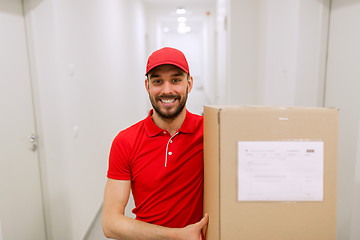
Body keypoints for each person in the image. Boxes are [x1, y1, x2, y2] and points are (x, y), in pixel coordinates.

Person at [102, 47, 209, 240]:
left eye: (176, 80)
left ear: (189, 84)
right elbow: (110, 224)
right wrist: (177, 236)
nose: (167, 90)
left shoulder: (209, 133)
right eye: (158, 81)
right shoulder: (125, 141)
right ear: (147, 86)